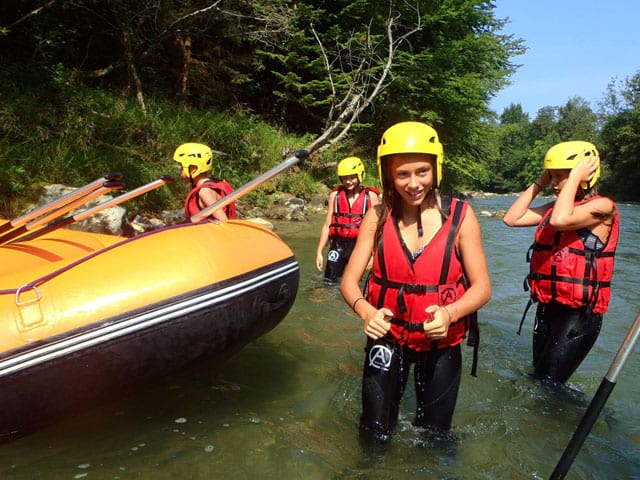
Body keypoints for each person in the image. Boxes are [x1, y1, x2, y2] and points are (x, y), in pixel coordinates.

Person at [340, 121, 491, 444]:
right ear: (387, 176)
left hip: (441, 344)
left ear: (436, 168)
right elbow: (349, 282)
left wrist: (450, 314)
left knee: (435, 439)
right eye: (402, 174)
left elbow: (482, 288)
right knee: (374, 435)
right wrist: (366, 311)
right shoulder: (376, 216)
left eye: (422, 171)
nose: (413, 183)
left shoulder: (462, 216)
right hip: (388, 338)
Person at [503, 140, 619, 385]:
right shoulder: (557, 207)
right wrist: (540, 182)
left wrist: (575, 177)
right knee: (539, 380)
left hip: (579, 316)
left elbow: (560, 220)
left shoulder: (603, 207)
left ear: (585, 175)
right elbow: (512, 218)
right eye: (551, 177)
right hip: (548, 309)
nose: (554, 184)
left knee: (546, 384)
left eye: (560, 177)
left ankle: (590, 418)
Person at [316, 156, 380, 283]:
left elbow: (377, 229)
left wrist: (373, 256)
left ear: (360, 176)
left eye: (352, 177)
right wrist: (319, 251)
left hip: (359, 245)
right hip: (338, 244)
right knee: (328, 282)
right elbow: (327, 225)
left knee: (356, 283)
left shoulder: (370, 196)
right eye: (345, 178)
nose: (348, 181)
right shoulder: (335, 196)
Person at [173, 142, 237, 221]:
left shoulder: (205, 192)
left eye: (182, 167)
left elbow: (224, 220)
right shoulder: (213, 183)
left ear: (193, 169)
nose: (180, 171)